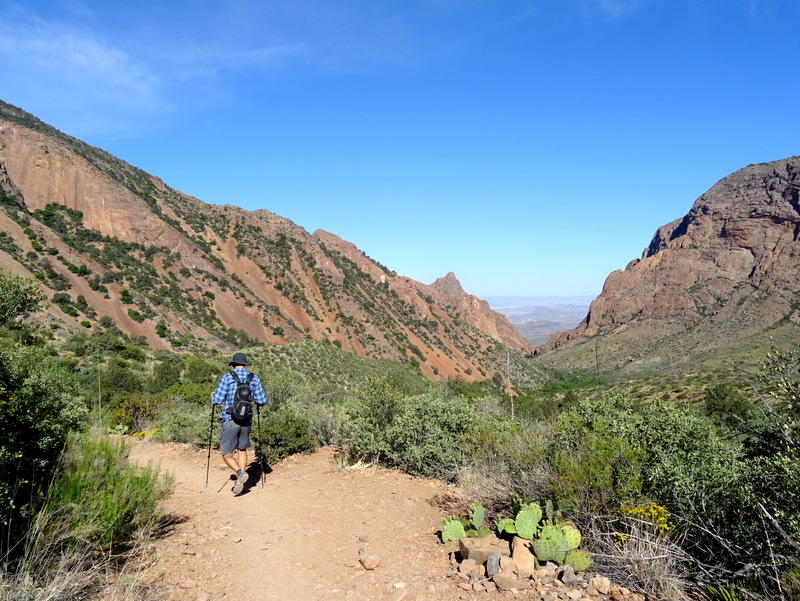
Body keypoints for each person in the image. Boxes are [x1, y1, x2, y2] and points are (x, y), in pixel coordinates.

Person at [211, 352, 268, 495]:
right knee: (242, 449)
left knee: (226, 453)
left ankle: (239, 472)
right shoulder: (254, 379)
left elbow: (217, 400)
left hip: (229, 419)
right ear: (245, 364)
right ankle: (240, 478)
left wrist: (213, 396)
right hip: (246, 420)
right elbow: (262, 401)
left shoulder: (227, 377)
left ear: (233, 364)